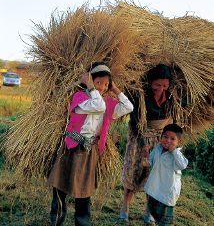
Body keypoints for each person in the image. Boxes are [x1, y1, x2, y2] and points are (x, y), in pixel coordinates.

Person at [47, 62, 133, 226]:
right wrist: (90, 86)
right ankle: (56, 221)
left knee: (84, 191)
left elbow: (128, 107)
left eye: (106, 84)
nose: (102, 87)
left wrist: (115, 90)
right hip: (71, 148)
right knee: (60, 185)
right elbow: (98, 106)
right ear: (90, 81)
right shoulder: (80, 98)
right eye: (98, 82)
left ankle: (82, 222)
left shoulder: (107, 103)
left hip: (89, 152)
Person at [118, 64, 186, 224]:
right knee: (133, 172)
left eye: (164, 85)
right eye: (157, 84)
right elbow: (134, 123)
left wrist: (178, 98)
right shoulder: (140, 96)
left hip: (160, 140)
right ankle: (125, 208)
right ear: (150, 81)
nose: (161, 88)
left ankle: (149, 211)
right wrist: (143, 145)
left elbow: (186, 105)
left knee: (154, 175)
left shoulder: (170, 97)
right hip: (139, 138)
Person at [144, 123, 188, 226]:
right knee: (153, 208)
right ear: (161, 137)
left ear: (178, 142)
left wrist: (174, 152)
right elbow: (151, 161)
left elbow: (183, 165)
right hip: (155, 187)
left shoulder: (176, 154)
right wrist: (147, 163)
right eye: (165, 137)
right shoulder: (157, 149)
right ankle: (154, 219)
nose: (168, 140)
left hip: (167, 191)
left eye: (172, 139)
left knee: (165, 217)